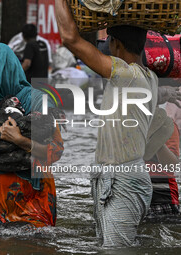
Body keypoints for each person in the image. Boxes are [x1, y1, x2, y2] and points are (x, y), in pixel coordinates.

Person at [55, 0, 158, 246]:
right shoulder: (149, 77)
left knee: (115, 251)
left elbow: (70, 38)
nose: (106, 50)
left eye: (109, 44)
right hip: (117, 177)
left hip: (123, 181)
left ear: (117, 45)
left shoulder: (127, 75)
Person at [0, 43, 64, 227]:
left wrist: (19, 140)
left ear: (3, 68)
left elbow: (55, 152)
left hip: (35, 195)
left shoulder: (37, 99)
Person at [144, 108, 180, 216]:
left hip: (161, 195)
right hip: (130, 193)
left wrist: (158, 141)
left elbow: (171, 166)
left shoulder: (166, 126)